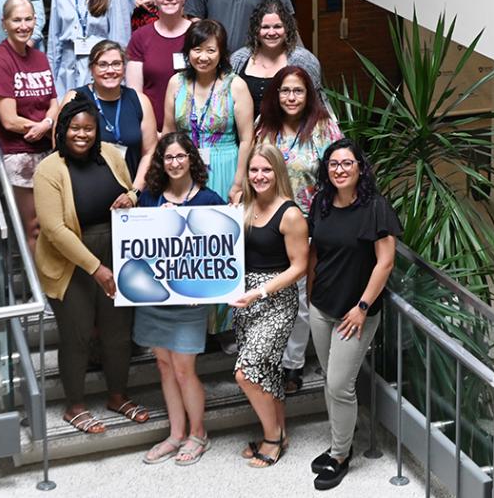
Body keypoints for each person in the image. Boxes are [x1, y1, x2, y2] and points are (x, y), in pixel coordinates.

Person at [33, 98, 149, 434]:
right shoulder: (49, 170)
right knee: (77, 335)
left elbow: (129, 189)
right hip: (72, 263)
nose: (81, 134)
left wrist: (132, 196)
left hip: (116, 255)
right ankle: (76, 406)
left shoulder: (112, 155)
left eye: (88, 128)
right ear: (62, 130)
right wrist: (96, 268)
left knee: (117, 334)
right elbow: (54, 230)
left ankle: (118, 396)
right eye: (74, 128)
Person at [307, 138, 400, 491]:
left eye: (347, 163)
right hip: (322, 306)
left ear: (360, 167)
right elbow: (316, 250)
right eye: (333, 164)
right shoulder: (322, 202)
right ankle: (340, 439)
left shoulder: (374, 207)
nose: (340, 170)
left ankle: (341, 454)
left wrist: (362, 308)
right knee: (330, 380)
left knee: (339, 384)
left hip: (355, 312)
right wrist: (310, 290)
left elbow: (385, 262)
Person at [135, 132, 224, 465]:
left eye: (180, 156)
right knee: (164, 366)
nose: (174, 163)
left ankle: (198, 434)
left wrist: (204, 291)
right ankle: (175, 434)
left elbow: (219, 256)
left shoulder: (209, 200)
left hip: (189, 303)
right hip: (154, 300)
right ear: (161, 161)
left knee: (185, 369)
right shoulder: (150, 198)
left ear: (191, 159)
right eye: (167, 157)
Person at [255, 66, 342, 394]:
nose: (291, 97)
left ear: (309, 95)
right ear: (276, 95)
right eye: (285, 91)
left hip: (311, 226)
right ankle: (270, 359)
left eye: (298, 91)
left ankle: (292, 365)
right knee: (273, 295)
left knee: (303, 301)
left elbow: (341, 172)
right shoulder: (264, 129)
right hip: (270, 225)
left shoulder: (324, 128)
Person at [229, 144, 308, 468]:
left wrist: (260, 291)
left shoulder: (290, 213)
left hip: (275, 300)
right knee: (267, 371)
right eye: (254, 170)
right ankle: (282, 432)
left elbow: (299, 266)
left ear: (277, 172)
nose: (259, 176)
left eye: (266, 170)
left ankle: (272, 438)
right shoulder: (242, 205)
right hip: (244, 298)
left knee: (246, 372)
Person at [0, 0, 58, 253]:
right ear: (4, 23)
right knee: (33, 226)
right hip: (20, 156)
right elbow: (9, 120)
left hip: (49, 151)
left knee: (54, 225)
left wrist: (46, 124)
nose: (23, 26)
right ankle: (38, 290)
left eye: (28, 19)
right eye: (16, 20)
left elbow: (54, 102)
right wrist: (42, 125)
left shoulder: (40, 58)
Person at [163, 19, 253, 203]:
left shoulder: (236, 86)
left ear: (221, 53)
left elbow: (246, 140)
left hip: (225, 166)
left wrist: (238, 183)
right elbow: (168, 132)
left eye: (210, 50)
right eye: (197, 49)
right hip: (182, 167)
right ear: (188, 51)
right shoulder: (176, 83)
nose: (203, 57)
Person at [60, 40, 157, 188]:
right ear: (92, 68)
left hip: (130, 190)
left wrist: (134, 192)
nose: (110, 70)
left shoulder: (140, 101)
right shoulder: (74, 98)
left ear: (124, 68)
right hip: (85, 190)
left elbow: (149, 152)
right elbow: (60, 146)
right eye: (103, 65)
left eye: (116, 64)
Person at [126, 0, 192, 130]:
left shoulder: (199, 35)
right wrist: (150, 133)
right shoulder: (140, 37)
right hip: (154, 131)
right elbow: (135, 95)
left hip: (195, 131)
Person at [230, 0, 322, 112]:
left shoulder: (304, 60)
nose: (272, 32)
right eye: (265, 27)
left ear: (287, 29)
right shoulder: (238, 59)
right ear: (256, 30)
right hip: (244, 129)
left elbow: (316, 104)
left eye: (278, 26)